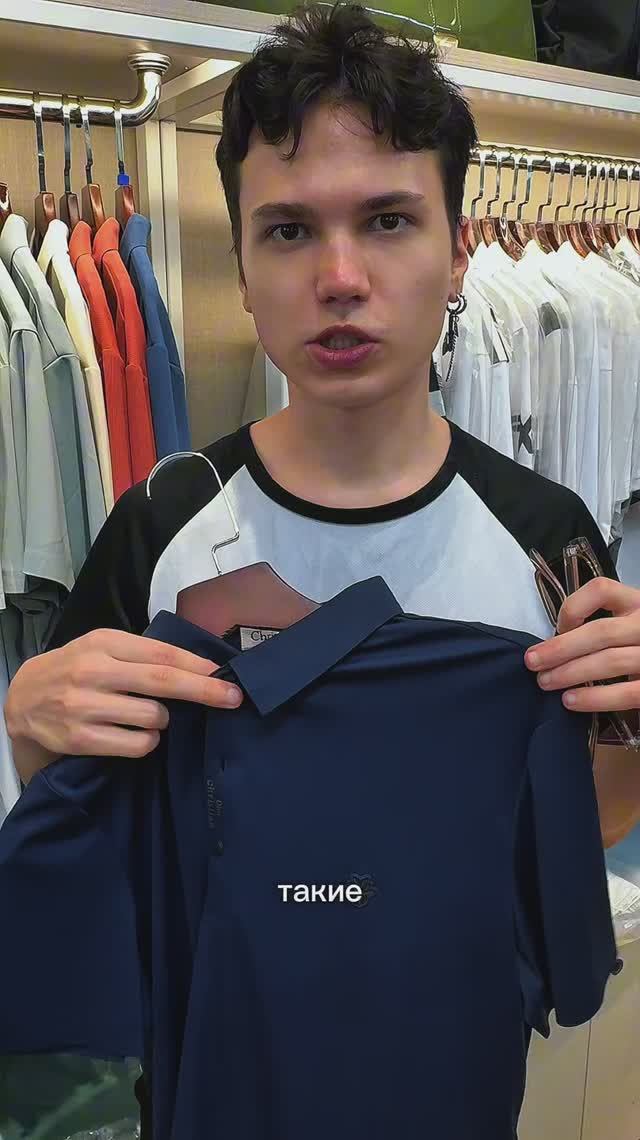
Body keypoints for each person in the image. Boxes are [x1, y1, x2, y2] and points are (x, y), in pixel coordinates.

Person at [4, 1, 640, 856]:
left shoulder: (546, 534)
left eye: (388, 221)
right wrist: (29, 732)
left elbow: (589, 825)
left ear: (457, 254)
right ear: (242, 269)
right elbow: (85, 825)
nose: (340, 278)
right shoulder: (160, 529)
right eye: (290, 230)